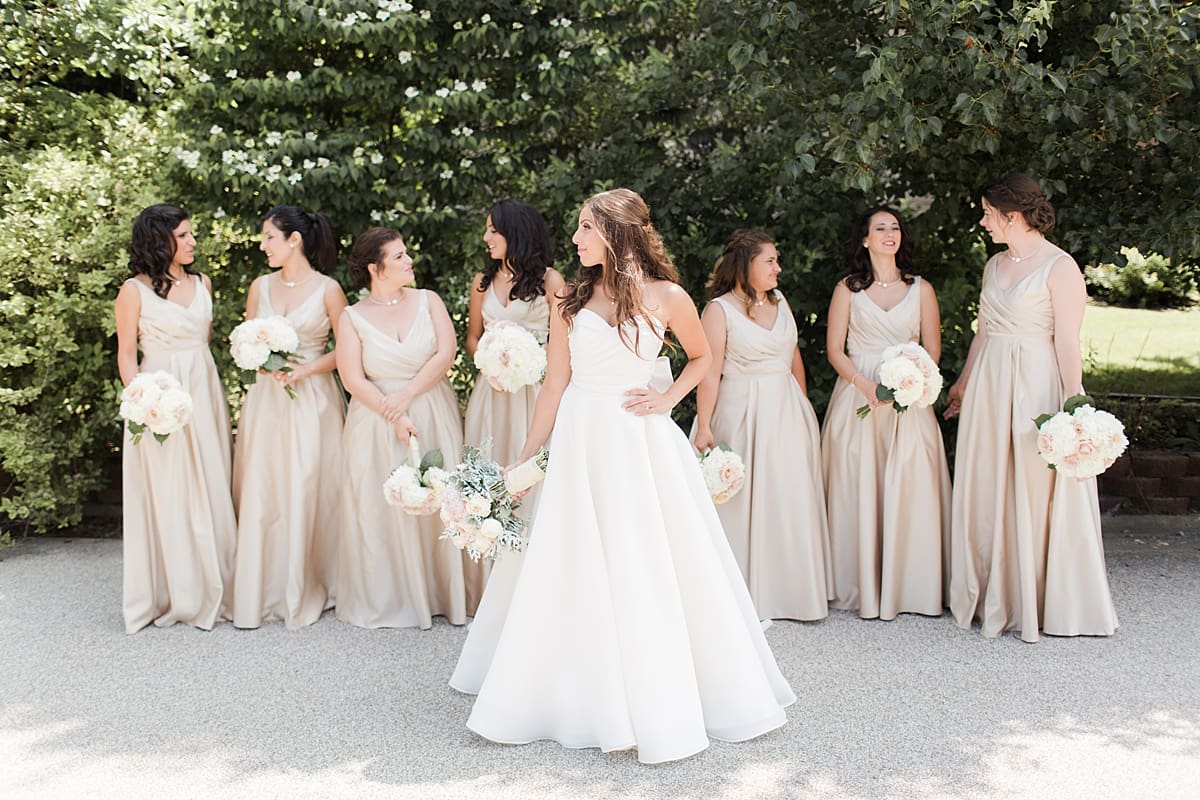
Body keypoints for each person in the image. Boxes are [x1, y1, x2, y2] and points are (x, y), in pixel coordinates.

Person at [457, 188, 794, 765]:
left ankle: (664, 690)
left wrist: (667, 398)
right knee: (580, 560)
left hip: (641, 441)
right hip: (582, 438)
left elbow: (702, 357)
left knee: (649, 561)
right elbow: (556, 383)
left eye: (586, 229)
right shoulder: (569, 300)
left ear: (615, 235)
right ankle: (580, 694)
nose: (576, 239)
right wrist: (528, 453)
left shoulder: (667, 295)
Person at [945, 174, 1118, 642]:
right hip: (989, 382)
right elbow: (984, 329)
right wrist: (962, 382)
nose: (983, 222)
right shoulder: (994, 264)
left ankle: (1034, 595)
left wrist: (1074, 401)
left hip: (1034, 382)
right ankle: (990, 591)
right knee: (987, 478)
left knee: (1030, 482)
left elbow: (1066, 339)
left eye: (987, 213)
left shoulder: (1060, 267)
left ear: (1012, 215)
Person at [692, 230, 832, 622]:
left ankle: (791, 593)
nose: (778, 268)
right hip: (741, 413)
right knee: (743, 499)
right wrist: (704, 425)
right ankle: (741, 594)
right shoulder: (718, 310)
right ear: (746, 264)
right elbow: (710, 371)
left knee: (787, 498)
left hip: (787, 412)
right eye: (769, 260)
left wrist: (802, 406)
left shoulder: (780, 301)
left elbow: (793, 357)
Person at [821, 207, 952, 620]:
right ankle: (855, 584)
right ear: (865, 239)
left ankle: (910, 585)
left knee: (909, 485)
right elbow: (835, 350)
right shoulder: (847, 289)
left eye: (895, 227)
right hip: (857, 398)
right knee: (857, 484)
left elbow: (932, 349)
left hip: (908, 403)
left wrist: (909, 383)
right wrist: (865, 385)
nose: (889, 234)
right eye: (880, 228)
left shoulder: (921, 289)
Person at [334, 227, 467, 629]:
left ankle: (441, 592)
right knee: (380, 505)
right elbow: (352, 377)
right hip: (375, 420)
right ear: (375, 268)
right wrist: (393, 412)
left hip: (429, 408)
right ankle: (391, 596)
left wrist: (407, 396)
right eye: (399, 256)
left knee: (438, 496)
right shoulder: (352, 316)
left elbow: (447, 351)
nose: (410, 261)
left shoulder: (429, 301)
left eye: (407, 254)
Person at [114, 204, 236, 633]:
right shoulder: (133, 291)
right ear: (158, 240)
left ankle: (219, 584)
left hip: (202, 389)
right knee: (168, 490)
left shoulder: (203, 282)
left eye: (190, 234)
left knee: (211, 478)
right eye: (182, 235)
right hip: (158, 398)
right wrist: (145, 402)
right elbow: (127, 356)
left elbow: (200, 343)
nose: (191, 242)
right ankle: (175, 590)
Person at [230, 205, 347, 629]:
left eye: (268, 238)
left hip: (313, 399)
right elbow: (246, 342)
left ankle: (313, 579)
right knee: (265, 486)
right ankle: (265, 586)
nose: (262, 246)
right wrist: (260, 364)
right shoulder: (259, 287)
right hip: (268, 401)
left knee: (309, 484)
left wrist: (305, 368)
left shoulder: (328, 290)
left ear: (293, 240)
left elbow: (347, 349)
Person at [461, 200, 564, 610]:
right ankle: (488, 587)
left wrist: (528, 367)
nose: (486, 238)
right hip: (492, 393)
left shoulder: (551, 280)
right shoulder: (481, 282)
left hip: (536, 392)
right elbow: (472, 337)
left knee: (532, 477)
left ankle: (535, 587)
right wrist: (489, 363)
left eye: (493, 231)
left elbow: (564, 341)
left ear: (515, 232)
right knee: (490, 474)